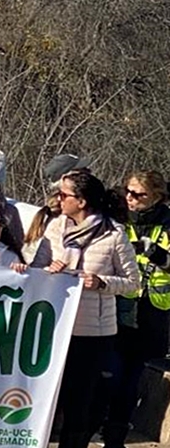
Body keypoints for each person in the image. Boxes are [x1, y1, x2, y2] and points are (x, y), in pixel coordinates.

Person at [45, 168, 139, 448]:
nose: (58, 199)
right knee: (50, 399)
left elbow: (133, 283)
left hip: (94, 333)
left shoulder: (113, 234)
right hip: (57, 327)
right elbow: (37, 270)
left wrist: (101, 282)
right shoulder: (55, 227)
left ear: (82, 201)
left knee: (80, 403)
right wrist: (51, 269)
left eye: (64, 195)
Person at [98, 170, 170, 448]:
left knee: (133, 375)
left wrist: (158, 256)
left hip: (152, 309)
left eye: (139, 194)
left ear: (157, 197)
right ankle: (101, 425)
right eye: (128, 191)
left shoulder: (166, 224)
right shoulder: (118, 218)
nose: (131, 198)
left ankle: (115, 436)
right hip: (119, 304)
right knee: (110, 372)